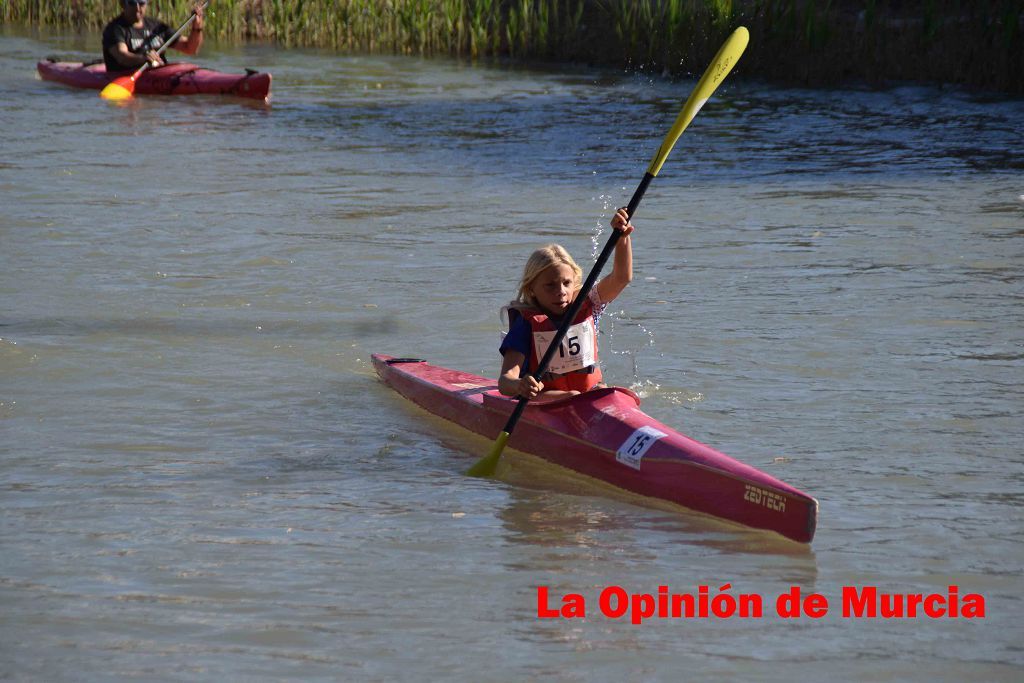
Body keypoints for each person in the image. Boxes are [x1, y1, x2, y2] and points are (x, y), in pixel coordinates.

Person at [498, 208, 635, 403]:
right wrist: (520, 385)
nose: (561, 291)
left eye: (566, 283)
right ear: (532, 290)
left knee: (608, 392)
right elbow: (505, 382)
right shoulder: (526, 324)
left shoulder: (590, 304)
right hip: (545, 398)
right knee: (572, 396)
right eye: (550, 286)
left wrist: (622, 237)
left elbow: (621, 278)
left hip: (589, 392)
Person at [102, 0, 205, 73]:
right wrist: (143, 58)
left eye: (141, 3)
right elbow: (122, 57)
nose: (138, 8)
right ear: (122, 4)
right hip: (127, 74)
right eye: (132, 3)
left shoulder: (156, 27)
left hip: (159, 73)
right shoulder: (115, 29)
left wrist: (196, 28)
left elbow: (190, 48)